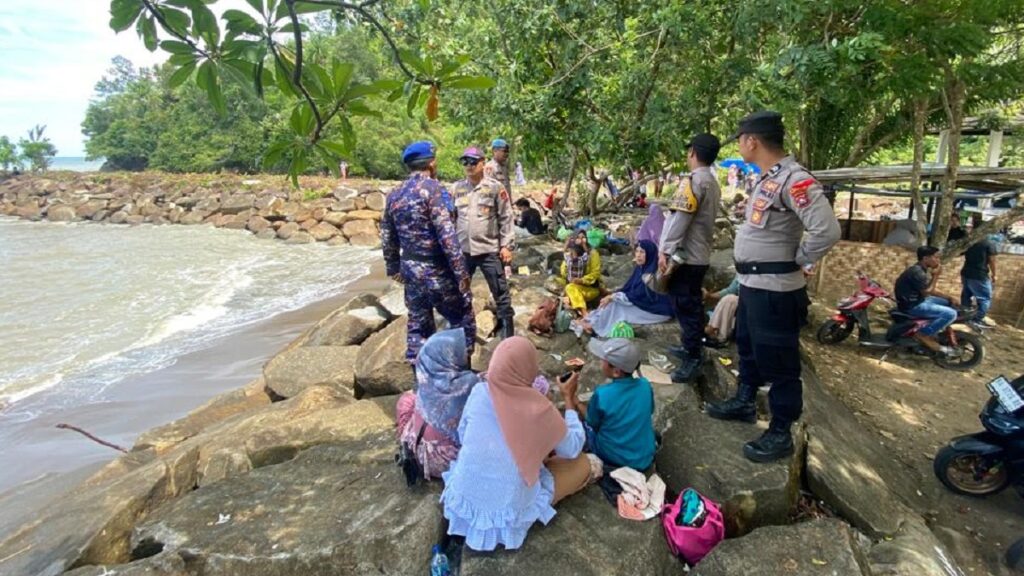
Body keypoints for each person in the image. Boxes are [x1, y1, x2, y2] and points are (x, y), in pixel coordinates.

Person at [705, 111, 841, 463]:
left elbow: (827, 230)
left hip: (777, 289)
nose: (740, 144)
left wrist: (800, 258)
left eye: (740, 139)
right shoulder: (768, 179)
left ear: (752, 140)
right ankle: (744, 401)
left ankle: (781, 431)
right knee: (748, 347)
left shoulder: (795, 180)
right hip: (752, 285)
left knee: (780, 363)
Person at [441, 336, 592, 551]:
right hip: (508, 510)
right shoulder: (539, 408)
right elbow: (572, 447)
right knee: (584, 464)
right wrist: (569, 400)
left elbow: (464, 435)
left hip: (464, 501)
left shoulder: (479, 392)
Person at [381, 141, 475, 362]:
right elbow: (447, 235)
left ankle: (421, 382)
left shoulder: (394, 194)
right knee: (462, 319)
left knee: (418, 326)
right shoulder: (434, 190)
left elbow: (387, 234)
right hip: (437, 270)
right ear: (431, 163)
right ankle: (461, 374)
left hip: (410, 270)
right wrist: (462, 274)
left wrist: (392, 267)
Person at [659, 133, 722, 383]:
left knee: (686, 305)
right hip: (700, 254)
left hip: (686, 257)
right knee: (690, 303)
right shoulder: (713, 182)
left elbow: (679, 219)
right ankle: (689, 347)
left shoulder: (694, 181)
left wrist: (665, 250)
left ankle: (694, 356)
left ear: (693, 152)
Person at [395, 328, 479, 479]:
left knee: (407, 399)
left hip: (416, 448)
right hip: (446, 461)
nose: (466, 353)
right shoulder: (468, 384)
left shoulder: (427, 376)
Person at [563, 338, 656, 471]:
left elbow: (592, 422)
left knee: (583, 428)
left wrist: (575, 401)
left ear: (616, 372)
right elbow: (650, 410)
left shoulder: (603, 394)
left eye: (604, 361)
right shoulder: (645, 385)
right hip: (644, 456)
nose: (601, 363)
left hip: (615, 457)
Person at [453, 146, 516, 340]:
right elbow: (450, 218)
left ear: (483, 162)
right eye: (465, 162)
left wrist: (506, 245)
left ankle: (507, 334)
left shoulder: (495, 187)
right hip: (464, 251)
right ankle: (460, 330)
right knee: (459, 292)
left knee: (501, 292)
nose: (469, 166)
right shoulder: (456, 188)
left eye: (473, 162)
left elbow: (506, 217)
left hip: (489, 249)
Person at [581, 240, 674, 337]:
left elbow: (640, 294)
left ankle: (595, 327)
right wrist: (612, 296)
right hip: (643, 304)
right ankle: (593, 320)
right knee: (611, 301)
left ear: (650, 254)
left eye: (642, 252)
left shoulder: (652, 272)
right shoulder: (641, 268)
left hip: (655, 310)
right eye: (637, 251)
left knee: (617, 305)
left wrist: (613, 297)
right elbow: (628, 288)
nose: (638, 255)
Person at [895, 245, 961, 353]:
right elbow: (927, 292)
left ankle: (937, 330)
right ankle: (923, 333)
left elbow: (929, 290)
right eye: (935, 257)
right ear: (925, 258)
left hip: (919, 300)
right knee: (951, 314)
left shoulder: (920, 269)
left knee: (948, 303)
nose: (938, 260)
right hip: (912, 306)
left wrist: (950, 297)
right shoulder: (917, 272)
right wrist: (936, 276)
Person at [559, 232, 602, 316]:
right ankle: (570, 300)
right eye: (578, 238)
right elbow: (563, 273)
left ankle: (584, 312)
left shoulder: (592, 253)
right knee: (554, 281)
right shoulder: (571, 253)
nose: (581, 240)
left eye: (583, 238)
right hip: (572, 283)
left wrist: (581, 280)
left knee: (570, 288)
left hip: (589, 288)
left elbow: (595, 273)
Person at [960, 235, 998, 329]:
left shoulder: (969, 242)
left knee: (966, 295)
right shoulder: (989, 243)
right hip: (979, 275)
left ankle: (965, 317)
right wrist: (994, 274)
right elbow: (992, 260)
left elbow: (961, 253)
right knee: (984, 299)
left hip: (966, 273)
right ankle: (976, 320)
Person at [704, 276, 740, 344]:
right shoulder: (741, 271)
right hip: (742, 305)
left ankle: (718, 333)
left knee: (730, 300)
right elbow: (730, 290)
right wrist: (709, 295)